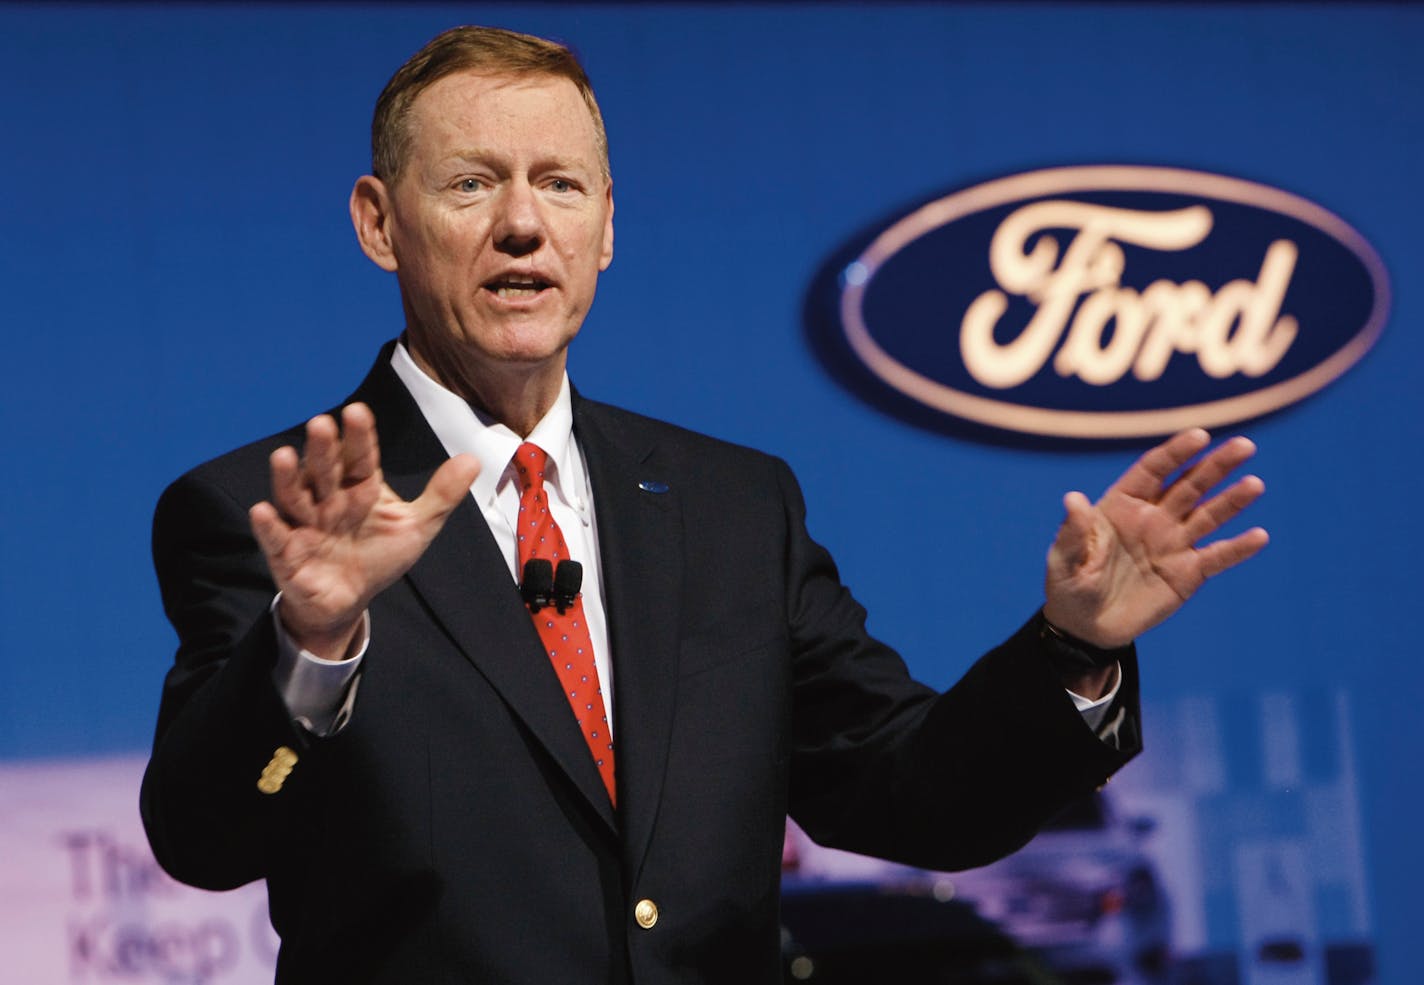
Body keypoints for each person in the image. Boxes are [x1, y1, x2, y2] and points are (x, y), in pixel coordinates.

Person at [140, 25, 1268, 985]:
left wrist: (1067, 649)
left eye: (560, 184)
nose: (523, 226)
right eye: (472, 183)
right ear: (380, 222)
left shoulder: (732, 506)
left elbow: (910, 796)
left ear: (607, 228)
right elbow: (204, 838)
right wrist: (313, 641)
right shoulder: (263, 512)